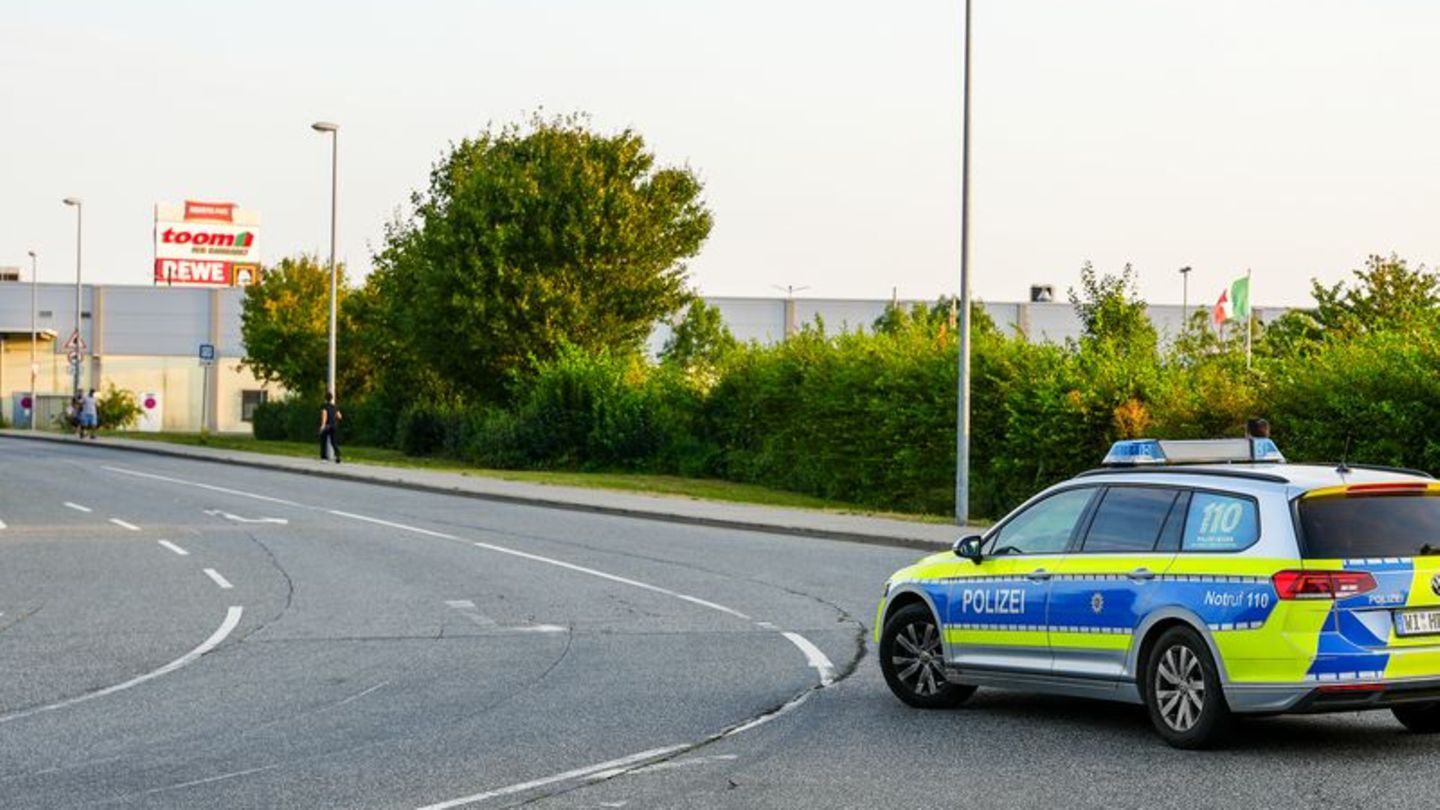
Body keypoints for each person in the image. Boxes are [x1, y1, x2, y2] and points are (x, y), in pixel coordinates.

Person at [319, 392, 343, 463]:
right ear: (331, 398)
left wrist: (322, 425)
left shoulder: (324, 406)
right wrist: (334, 418)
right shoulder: (335, 406)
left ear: (325, 398)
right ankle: (337, 455)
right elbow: (340, 416)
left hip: (327, 426)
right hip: (334, 426)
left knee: (323, 441)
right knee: (334, 442)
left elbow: (324, 415)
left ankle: (324, 458)